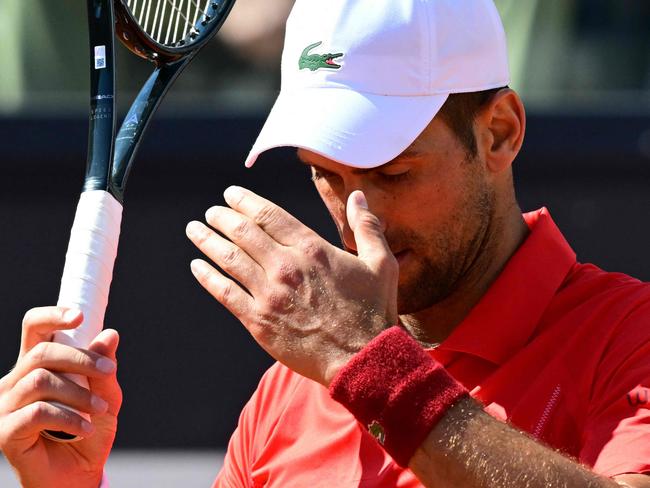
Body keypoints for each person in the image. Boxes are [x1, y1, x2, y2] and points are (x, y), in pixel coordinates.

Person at [1, 0, 649, 487]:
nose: (357, 210)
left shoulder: (632, 338)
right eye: (326, 174)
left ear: (500, 133)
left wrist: (371, 370)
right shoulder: (286, 394)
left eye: (394, 171)